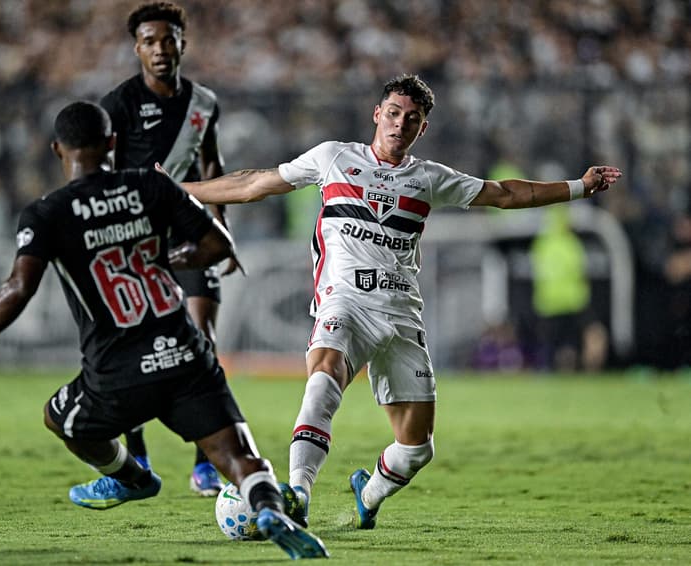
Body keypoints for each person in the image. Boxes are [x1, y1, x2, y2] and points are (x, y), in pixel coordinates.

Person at [163, 73, 622, 529]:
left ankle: (368, 494)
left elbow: (504, 194)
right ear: (377, 114)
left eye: (413, 119)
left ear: (422, 129)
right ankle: (297, 492)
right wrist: (180, 192)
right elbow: (253, 183)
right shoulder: (334, 158)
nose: (401, 124)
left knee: (417, 448)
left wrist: (579, 186)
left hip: (402, 315)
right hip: (345, 302)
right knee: (323, 378)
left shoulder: (429, 178)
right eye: (395, 113)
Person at [0, 101, 328, 560]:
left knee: (59, 419)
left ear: (58, 149)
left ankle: (133, 477)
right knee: (240, 457)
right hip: (184, 352)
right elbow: (218, 243)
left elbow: (19, 287)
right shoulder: (150, 186)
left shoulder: (47, 213)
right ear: (113, 144)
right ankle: (268, 509)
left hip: (117, 371)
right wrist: (173, 260)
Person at [99, 1, 239, 497]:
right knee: (132, 344)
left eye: (169, 38)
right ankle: (136, 452)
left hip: (190, 233)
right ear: (136, 47)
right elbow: (102, 177)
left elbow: (211, 169)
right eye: (150, 40)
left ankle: (205, 463)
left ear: (183, 42)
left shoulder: (204, 102)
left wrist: (224, 231)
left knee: (203, 341)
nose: (160, 48)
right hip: (134, 240)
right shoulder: (117, 104)